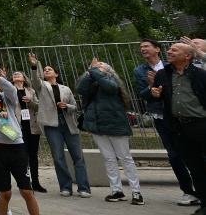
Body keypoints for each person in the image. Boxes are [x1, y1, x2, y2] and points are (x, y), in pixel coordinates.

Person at [0, 40, 40, 215]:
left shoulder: (9, 97)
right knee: (5, 192)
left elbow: (10, 87)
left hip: (16, 146)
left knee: (26, 190)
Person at [133, 39, 198, 206]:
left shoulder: (172, 67)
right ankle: (189, 192)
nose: (143, 49)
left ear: (157, 49)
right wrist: (152, 86)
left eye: (146, 46)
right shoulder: (140, 71)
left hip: (185, 116)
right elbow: (143, 94)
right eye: (141, 47)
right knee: (174, 155)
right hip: (162, 118)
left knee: (196, 153)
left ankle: (201, 188)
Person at [76, 58, 144, 205]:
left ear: (108, 70)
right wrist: (90, 74)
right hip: (97, 125)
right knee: (108, 158)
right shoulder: (91, 81)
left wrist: (95, 72)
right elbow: (81, 89)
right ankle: (116, 190)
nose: (96, 66)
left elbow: (109, 88)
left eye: (100, 65)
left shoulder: (112, 80)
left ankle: (136, 191)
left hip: (115, 124)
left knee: (125, 158)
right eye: (94, 65)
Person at [150, 42, 206, 215]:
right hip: (180, 127)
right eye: (170, 49)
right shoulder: (163, 74)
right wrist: (155, 94)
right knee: (195, 167)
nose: (169, 51)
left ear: (188, 55)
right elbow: (156, 95)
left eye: (174, 50)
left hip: (202, 125)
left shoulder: (200, 74)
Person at [28, 52, 90, 197]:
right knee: (58, 157)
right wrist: (34, 65)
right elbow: (35, 79)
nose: (47, 70)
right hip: (52, 126)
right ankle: (66, 187)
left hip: (68, 123)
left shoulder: (65, 89)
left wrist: (66, 106)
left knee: (78, 157)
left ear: (56, 74)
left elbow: (75, 108)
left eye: (50, 69)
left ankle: (84, 188)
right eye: (45, 69)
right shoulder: (42, 86)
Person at [1, 68, 45, 193]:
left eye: (18, 74)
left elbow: (38, 107)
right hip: (17, 127)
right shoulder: (10, 90)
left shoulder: (30, 91)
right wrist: (3, 79)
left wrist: (30, 102)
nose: (16, 75)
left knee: (33, 155)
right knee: (22, 156)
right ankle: (24, 183)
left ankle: (35, 182)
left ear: (24, 78)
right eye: (14, 75)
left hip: (31, 126)